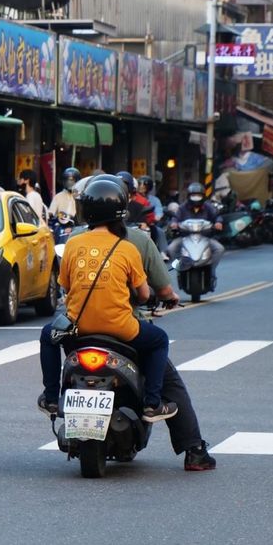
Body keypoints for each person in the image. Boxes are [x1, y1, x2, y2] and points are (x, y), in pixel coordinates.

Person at [38, 176, 178, 425]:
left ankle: (51, 397)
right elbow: (144, 295)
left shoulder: (72, 243)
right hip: (121, 329)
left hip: (76, 328)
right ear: (121, 212)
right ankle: (152, 404)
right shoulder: (128, 249)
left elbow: (67, 286)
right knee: (159, 341)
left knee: (47, 336)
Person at [178, 182, 225, 283]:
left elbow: (217, 216)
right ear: (189, 196)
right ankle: (179, 269)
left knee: (219, 249)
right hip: (185, 237)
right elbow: (175, 218)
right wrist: (173, 224)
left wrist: (218, 222)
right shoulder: (182, 208)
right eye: (193, 195)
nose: (196, 198)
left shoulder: (208, 207)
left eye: (198, 195)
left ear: (203, 196)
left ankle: (212, 271)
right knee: (171, 248)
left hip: (205, 237)